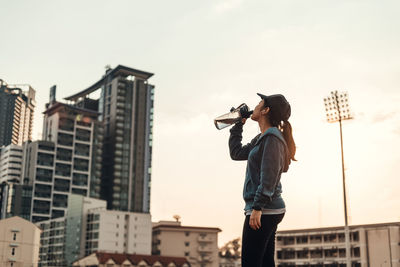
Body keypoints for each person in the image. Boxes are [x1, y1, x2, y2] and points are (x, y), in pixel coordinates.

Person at [229, 93, 296, 267]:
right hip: (266, 208)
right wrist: (238, 124)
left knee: (251, 264)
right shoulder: (263, 138)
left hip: (264, 209)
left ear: (266, 110)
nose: (256, 105)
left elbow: (269, 176)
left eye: (260, 103)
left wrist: (257, 207)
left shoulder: (272, 137)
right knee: (265, 263)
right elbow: (236, 153)